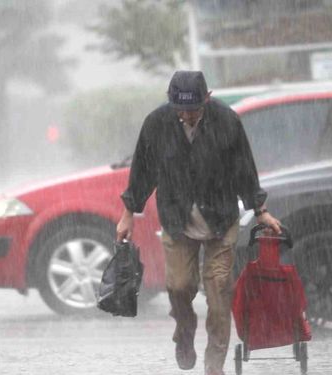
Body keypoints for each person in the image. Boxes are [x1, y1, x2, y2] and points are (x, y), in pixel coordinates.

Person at [116, 71, 281, 375]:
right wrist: (129, 212)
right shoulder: (157, 124)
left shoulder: (226, 121)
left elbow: (245, 169)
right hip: (177, 220)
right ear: (171, 102)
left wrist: (261, 210)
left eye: (194, 109)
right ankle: (185, 333)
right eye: (181, 109)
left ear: (207, 98)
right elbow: (142, 170)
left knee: (219, 288)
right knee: (178, 286)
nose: (188, 116)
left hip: (220, 219)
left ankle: (214, 365)